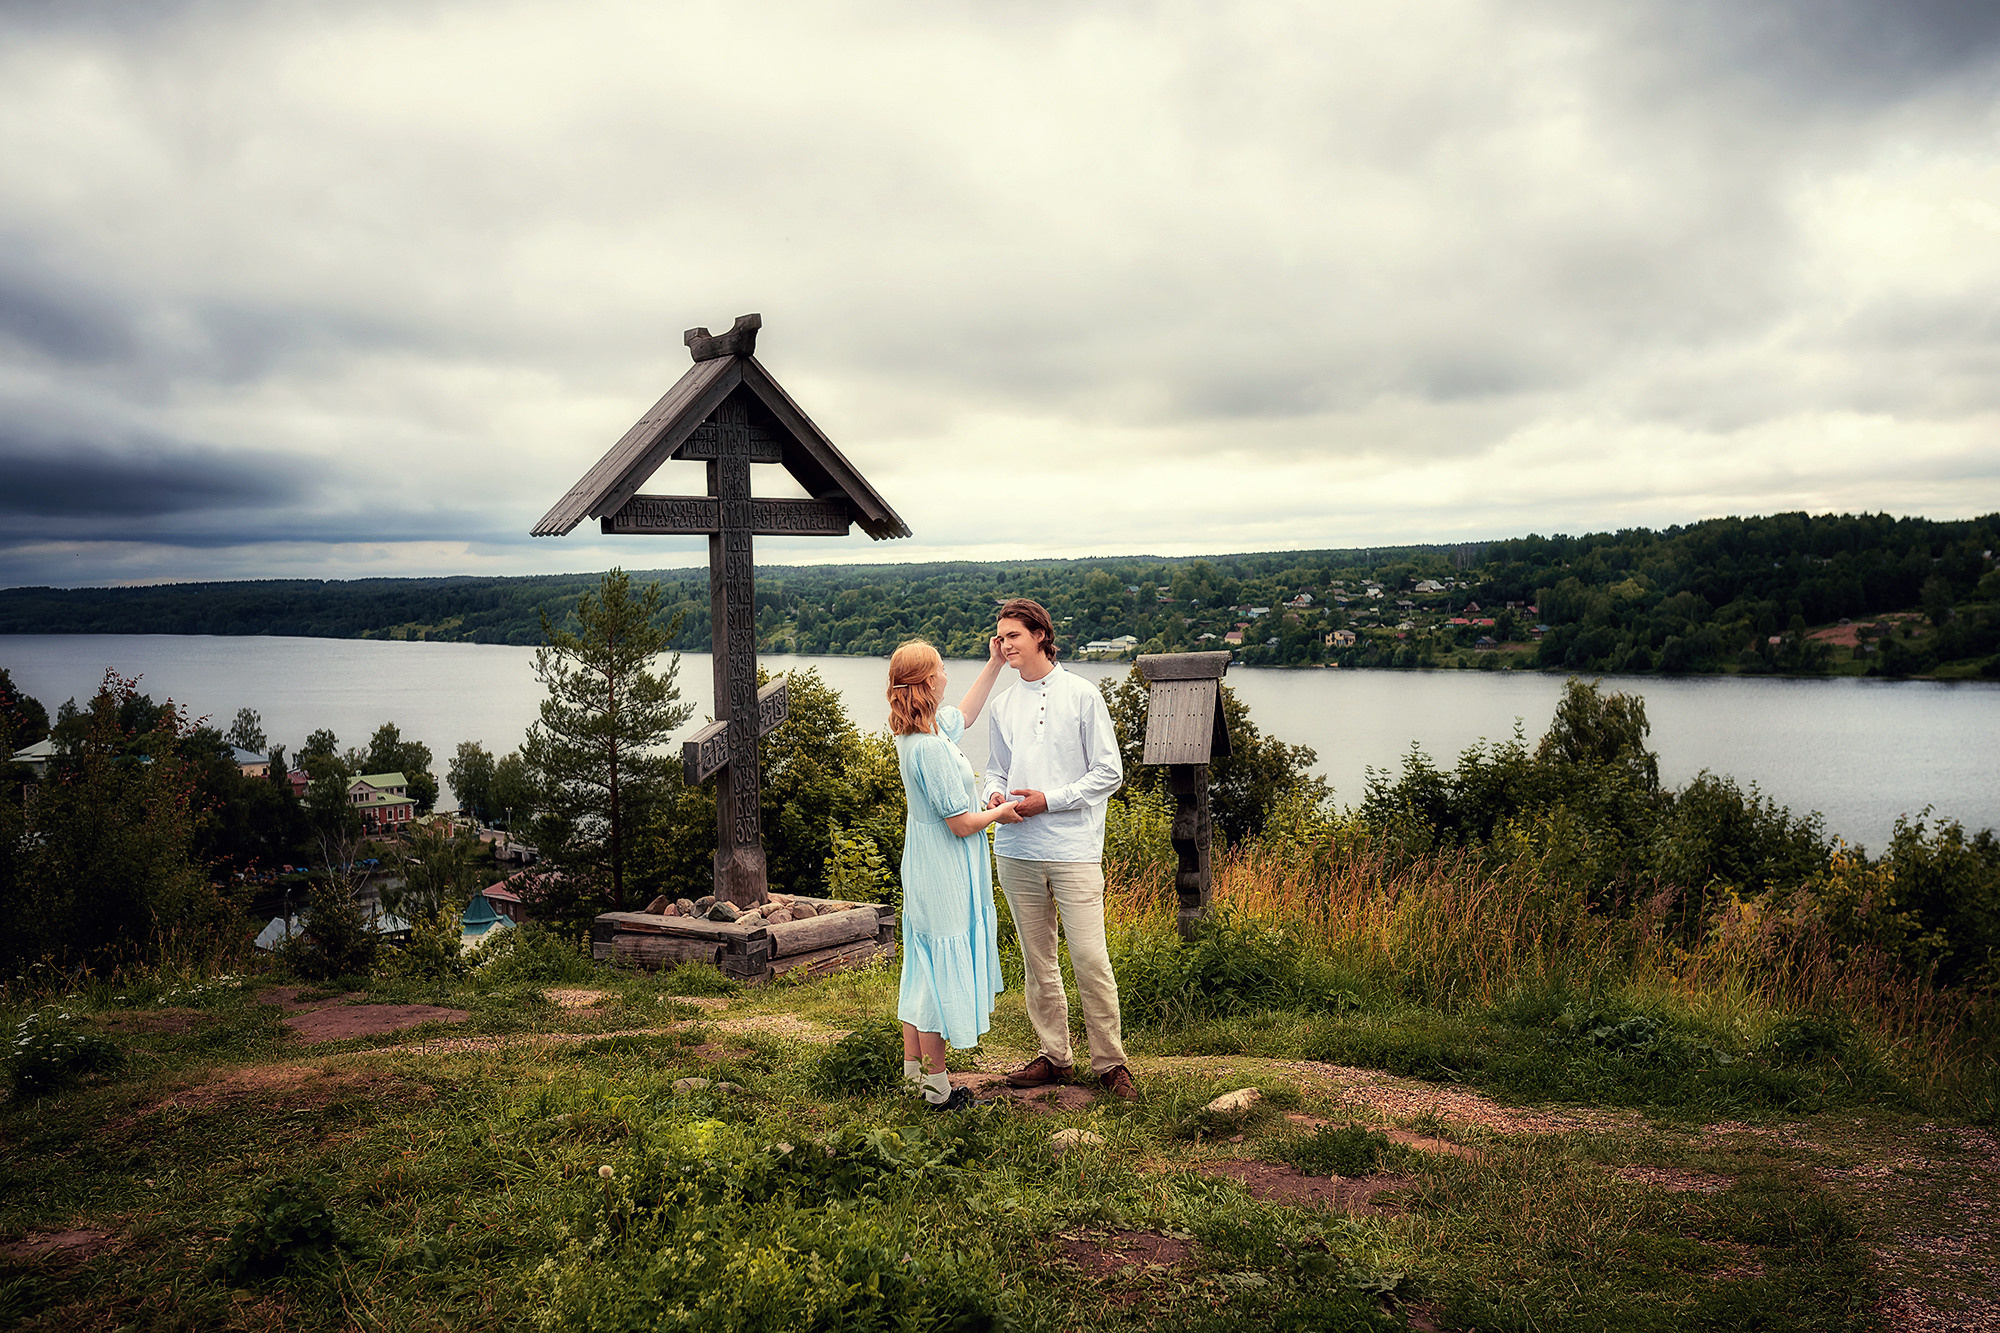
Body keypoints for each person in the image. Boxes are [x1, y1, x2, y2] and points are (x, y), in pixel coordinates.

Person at [980, 597, 1136, 1100]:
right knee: (1037, 959)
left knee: (1090, 957)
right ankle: (1054, 1057)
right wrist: (994, 795)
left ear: (1041, 636)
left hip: (1074, 849)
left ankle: (1110, 1063)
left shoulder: (1082, 695)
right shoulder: (1003, 705)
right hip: (1016, 849)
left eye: (1013, 636)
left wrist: (1050, 801)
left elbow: (1109, 773)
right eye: (1000, 637)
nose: (1004, 645)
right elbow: (995, 769)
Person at [888, 636, 1019, 1112]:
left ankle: (912, 1079)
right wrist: (1000, 814)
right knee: (939, 974)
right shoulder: (931, 750)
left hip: (923, 862)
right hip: (943, 866)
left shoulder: (918, 734)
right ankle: (940, 1091)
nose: (947, 674)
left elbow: (964, 714)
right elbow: (961, 823)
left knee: (921, 969)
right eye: (941, 668)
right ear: (927, 682)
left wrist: (992, 664)